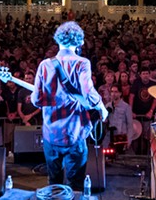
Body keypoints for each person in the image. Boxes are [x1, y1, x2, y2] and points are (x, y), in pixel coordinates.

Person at [31, 21, 108, 190]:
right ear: (80, 43)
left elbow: (36, 100)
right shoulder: (82, 63)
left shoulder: (45, 65)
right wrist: (101, 107)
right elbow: (88, 91)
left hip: (51, 134)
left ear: (57, 41)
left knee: (54, 184)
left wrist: (53, 98)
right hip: (75, 132)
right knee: (76, 185)